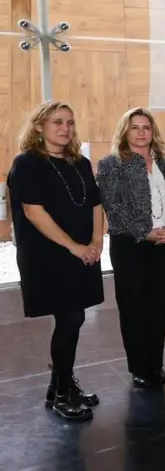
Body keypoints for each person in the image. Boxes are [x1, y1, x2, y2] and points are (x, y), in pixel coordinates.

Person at [8, 101, 103, 421]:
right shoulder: (27, 164)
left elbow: (95, 204)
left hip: (82, 251)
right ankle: (63, 392)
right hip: (47, 255)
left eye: (70, 122)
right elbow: (34, 212)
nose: (65, 128)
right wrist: (74, 247)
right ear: (39, 126)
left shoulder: (81, 162)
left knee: (71, 319)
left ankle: (60, 386)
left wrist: (96, 241)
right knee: (71, 318)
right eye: (57, 122)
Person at [98, 108, 165, 389]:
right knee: (134, 307)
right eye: (134, 127)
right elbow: (114, 208)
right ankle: (139, 366)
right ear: (125, 131)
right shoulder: (111, 164)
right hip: (130, 245)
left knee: (158, 307)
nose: (141, 132)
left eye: (146, 127)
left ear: (153, 131)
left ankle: (155, 362)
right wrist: (145, 233)